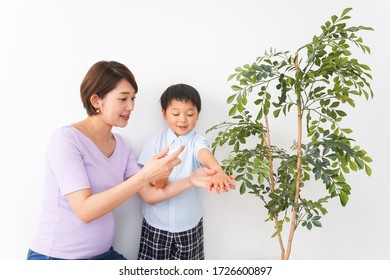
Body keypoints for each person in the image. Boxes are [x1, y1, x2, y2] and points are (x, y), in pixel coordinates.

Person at [27, 61, 219, 260]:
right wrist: (144, 176)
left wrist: (191, 180)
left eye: (133, 98)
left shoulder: (122, 146)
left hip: (103, 255)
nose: (131, 107)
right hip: (56, 258)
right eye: (123, 99)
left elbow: (150, 195)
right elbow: (84, 210)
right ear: (96, 101)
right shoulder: (66, 140)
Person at [137, 83, 236, 260]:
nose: (183, 119)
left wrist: (217, 170)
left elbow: (203, 153)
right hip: (155, 225)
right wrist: (159, 178)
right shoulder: (155, 142)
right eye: (176, 113)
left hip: (189, 225)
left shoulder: (197, 141)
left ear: (197, 115)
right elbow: (145, 179)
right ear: (164, 113)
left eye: (190, 114)